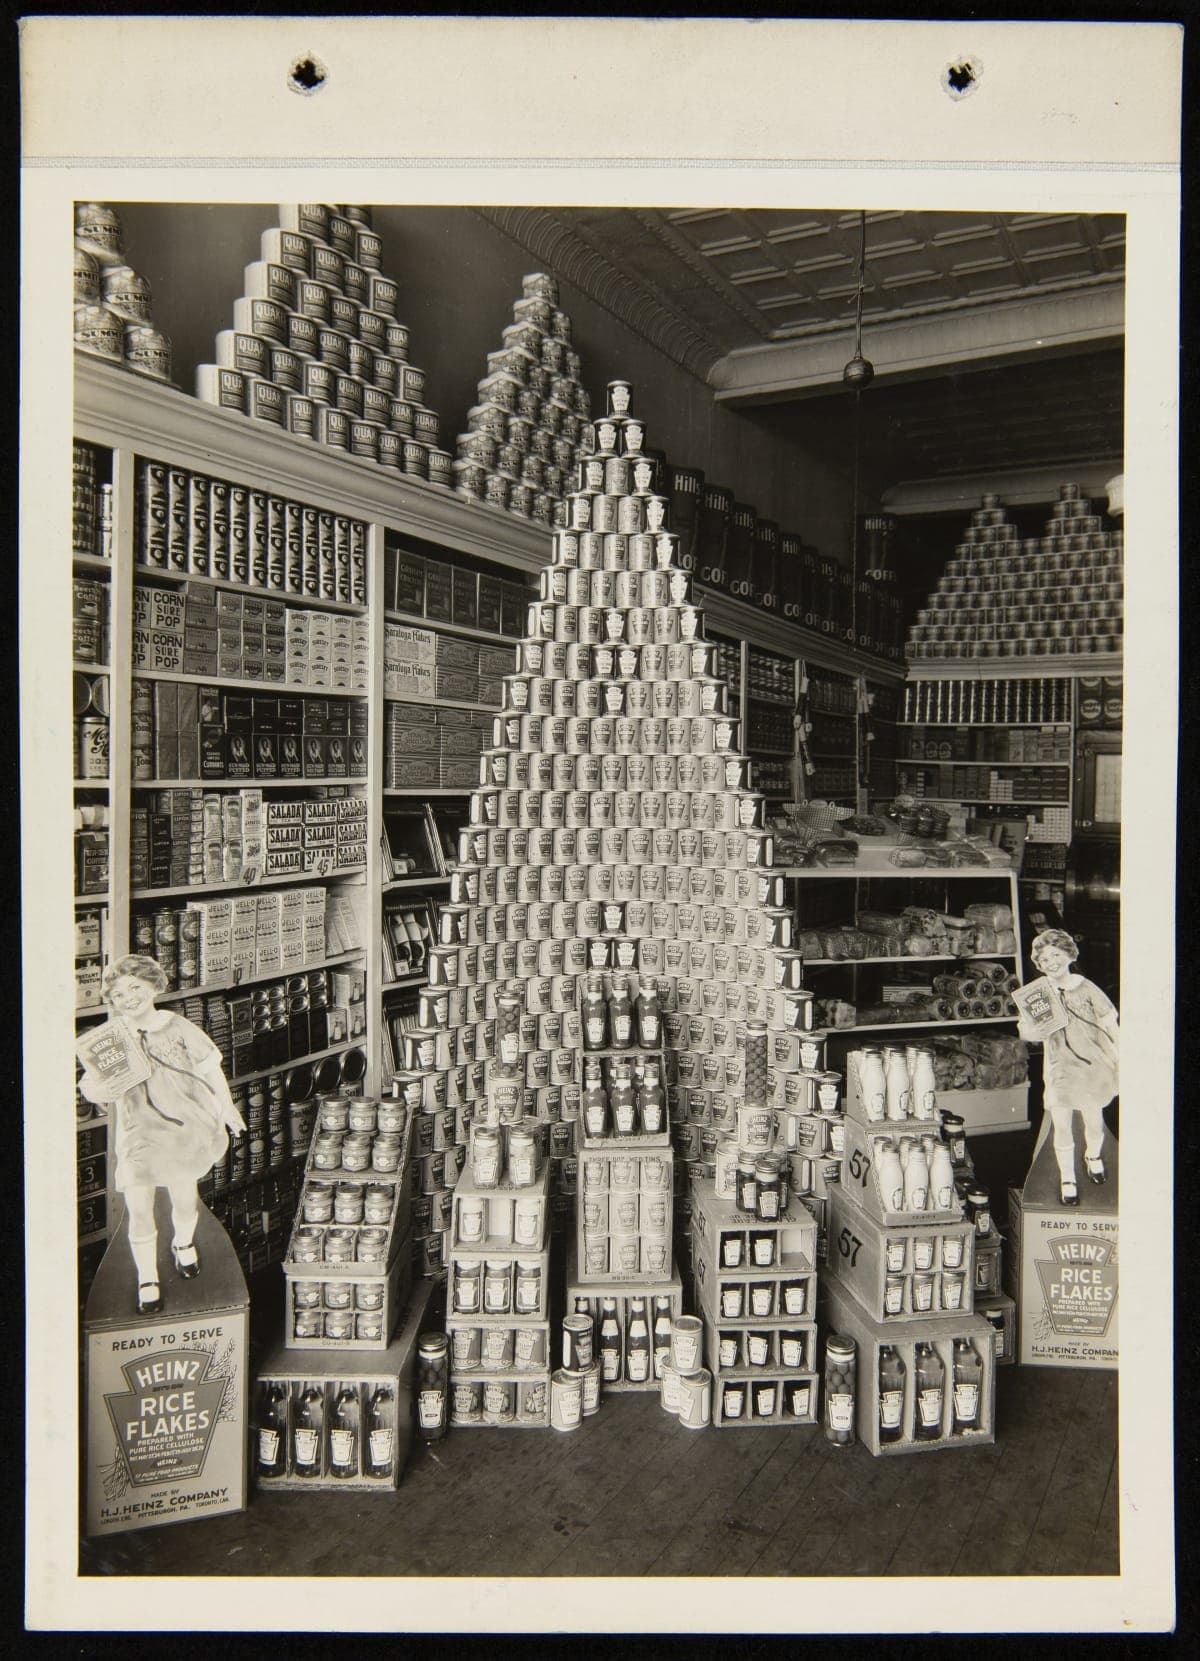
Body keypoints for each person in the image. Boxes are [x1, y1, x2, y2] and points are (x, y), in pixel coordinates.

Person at [77, 954, 246, 1314]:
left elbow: (209, 1067)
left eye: (135, 988)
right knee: (139, 1208)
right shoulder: (111, 1040)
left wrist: (226, 1106)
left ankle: (183, 1243)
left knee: (184, 1199)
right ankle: (148, 1278)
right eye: (119, 994)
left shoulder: (176, 1025)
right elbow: (92, 1084)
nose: (128, 998)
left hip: (183, 1129)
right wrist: (97, 1089)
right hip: (138, 1134)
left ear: (154, 986)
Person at [1018, 928, 1119, 1207]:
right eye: (1044, 958)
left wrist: (1122, 1056)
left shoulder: (1085, 986)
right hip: (1059, 1065)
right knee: (1061, 1122)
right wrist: (1033, 1032)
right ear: (1038, 964)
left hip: (1092, 1064)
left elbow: (1110, 1022)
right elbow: (1025, 1030)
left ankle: (1093, 1155)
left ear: (1069, 955)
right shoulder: (1036, 994)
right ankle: (1068, 1178)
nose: (1051, 962)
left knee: (1093, 1119)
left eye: (1056, 955)